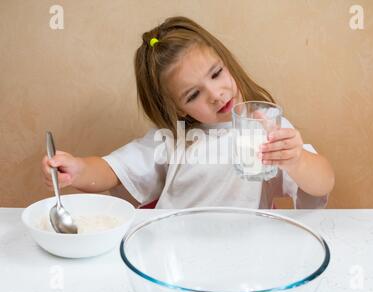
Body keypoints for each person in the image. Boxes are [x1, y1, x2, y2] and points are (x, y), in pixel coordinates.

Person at [41, 16, 335, 209]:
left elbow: (323, 182)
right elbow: (113, 170)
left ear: (227, 62)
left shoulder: (263, 129)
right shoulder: (174, 139)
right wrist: (78, 169)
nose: (216, 94)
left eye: (217, 73)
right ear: (177, 107)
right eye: (193, 94)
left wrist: (296, 159)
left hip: (245, 256)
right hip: (172, 254)